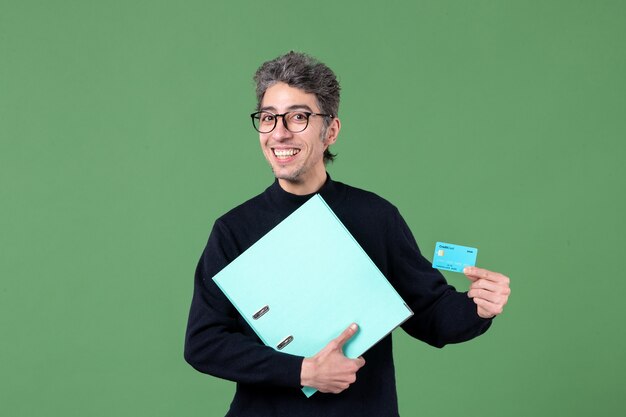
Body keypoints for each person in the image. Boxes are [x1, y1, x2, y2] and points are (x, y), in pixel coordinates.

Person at [184, 51, 511, 417]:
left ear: (331, 130)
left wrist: (479, 308)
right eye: (268, 118)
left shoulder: (375, 217)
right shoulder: (233, 229)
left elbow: (430, 314)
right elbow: (204, 342)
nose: (279, 132)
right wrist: (303, 371)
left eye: (298, 117)